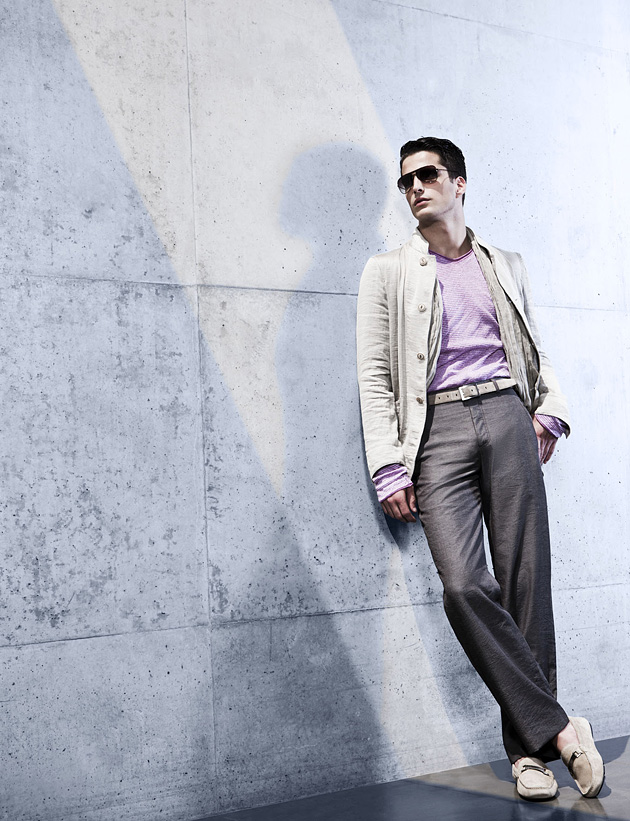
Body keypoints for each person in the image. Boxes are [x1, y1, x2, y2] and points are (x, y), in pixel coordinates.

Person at [356, 137, 604, 802]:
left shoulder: (505, 264)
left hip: (507, 415)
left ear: (459, 182)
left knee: (527, 583)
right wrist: (388, 467)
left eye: (427, 175)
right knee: (465, 586)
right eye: (406, 181)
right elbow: (375, 377)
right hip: (435, 431)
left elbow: (533, 346)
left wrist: (549, 411)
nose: (415, 188)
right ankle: (561, 730)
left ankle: (529, 757)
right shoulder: (387, 271)